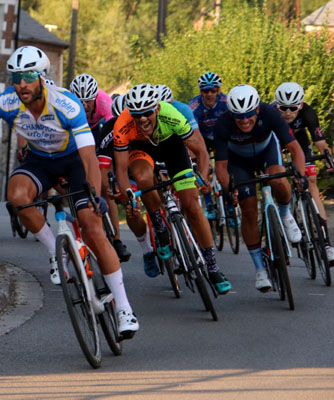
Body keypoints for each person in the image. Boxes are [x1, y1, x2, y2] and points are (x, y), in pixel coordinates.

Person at [0, 45, 139, 337]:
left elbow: (88, 156)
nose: (21, 83)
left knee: (92, 227)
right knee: (17, 194)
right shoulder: (8, 102)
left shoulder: (67, 104)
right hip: (40, 162)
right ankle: (55, 253)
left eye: (27, 76)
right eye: (15, 77)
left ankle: (124, 309)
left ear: (41, 76)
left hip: (73, 161)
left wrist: (94, 194)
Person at [113, 84, 232, 295]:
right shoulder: (122, 124)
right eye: (137, 115)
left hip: (172, 148)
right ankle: (159, 225)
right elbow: (122, 170)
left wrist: (203, 176)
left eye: (147, 112)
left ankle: (213, 267)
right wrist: (128, 196)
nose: (142, 119)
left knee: (193, 207)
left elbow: (200, 151)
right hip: (141, 151)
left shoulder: (171, 115)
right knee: (142, 177)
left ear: (157, 109)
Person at [213, 85, 306, 292]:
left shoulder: (269, 113)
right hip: (238, 162)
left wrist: (301, 175)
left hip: (267, 153)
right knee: (248, 209)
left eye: (248, 115)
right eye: (239, 117)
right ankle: (260, 269)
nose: (244, 120)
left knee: (278, 179)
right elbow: (221, 167)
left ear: (256, 110)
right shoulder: (223, 124)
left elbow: (294, 148)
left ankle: (285, 214)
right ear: (231, 114)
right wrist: (229, 190)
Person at [69, 74, 131, 263]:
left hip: (99, 131)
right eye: (80, 102)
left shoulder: (104, 102)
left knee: (105, 187)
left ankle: (117, 239)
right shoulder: (68, 105)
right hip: (77, 131)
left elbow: (114, 129)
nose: (85, 106)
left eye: (88, 101)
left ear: (95, 98)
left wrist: (107, 161)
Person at [273, 82, 334, 264]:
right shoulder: (270, 114)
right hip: (276, 142)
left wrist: (327, 158)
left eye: (293, 108)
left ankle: (326, 243)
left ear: (300, 105)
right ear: (277, 105)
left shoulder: (308, 113)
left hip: (299, 142)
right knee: (277, 183)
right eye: (283, 107)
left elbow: (320, 141)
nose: (287, 112)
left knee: (311, 180)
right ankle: (279, 236)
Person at [96, 94, 157, 276]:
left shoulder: (145, 124)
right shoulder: (109, 130)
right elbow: (104, 168)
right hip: (124, 173)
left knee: (159, 188)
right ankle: (146, 249)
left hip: (148, 163)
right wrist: (110, 188)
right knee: (131, 208)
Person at [189, 73, 230, 220]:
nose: (210, 94)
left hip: (222, 137)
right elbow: (193, 135)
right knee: (202, 168)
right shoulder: (194, 107)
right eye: (206, 91)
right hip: (202, 139)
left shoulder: (226, 102)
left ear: (218, 91)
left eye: (213, 90)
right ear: (201, 92)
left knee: (226, 169)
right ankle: (209, 203)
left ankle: (229, 204)